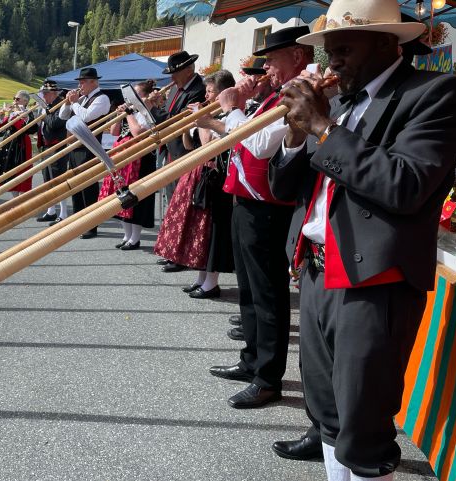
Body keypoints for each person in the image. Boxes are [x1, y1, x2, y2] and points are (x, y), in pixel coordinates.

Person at [270, 1, 456, 478]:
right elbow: (282, 188)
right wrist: (297, 137)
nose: (331, 61)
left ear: (386, 43)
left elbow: (404, 185)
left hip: (375, 278)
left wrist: (322, 128)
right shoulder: (337, 102)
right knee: (326, 411)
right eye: (328, 50)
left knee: (364, 424)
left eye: (343, 49)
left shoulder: (437, 93)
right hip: (316, 271)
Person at [201, 25, 312, 410]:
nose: (267, 70)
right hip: (245, 201)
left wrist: (233, 108)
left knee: (268, 295)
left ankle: (268, 377)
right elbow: (247, 136)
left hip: (268, 207)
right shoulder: (274, 96)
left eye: (273, 61)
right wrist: (242, 107)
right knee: (248, 288)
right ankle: (251, 360)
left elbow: (260, 145)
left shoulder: (299, 94)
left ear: (298, 57)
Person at [154, 70, 236, 297]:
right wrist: (184, 127)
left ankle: (211, 282)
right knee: (197, 228)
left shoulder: (227, 116)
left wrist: (201, 121)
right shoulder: (210, 114)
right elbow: (191, 146)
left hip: (215, 176)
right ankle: (201, 278)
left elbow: (209, 144)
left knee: (211, 231)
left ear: (224, 93)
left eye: (212, 92)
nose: (207, 96)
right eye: (208, 91)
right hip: (199, 173)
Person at [97, 79, 158, 249]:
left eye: (135, 95)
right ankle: (127, 235)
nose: (130, 99)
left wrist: (130, 113)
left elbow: (138, 132)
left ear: (144, 96)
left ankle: (135, 238)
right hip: (124, 155)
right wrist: (119, 116)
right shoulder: (132, 110)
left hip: (140, 158)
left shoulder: (148, 110)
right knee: (122, 194)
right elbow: (115, 132)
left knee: (136, 197)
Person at [149, 50, 206, 231]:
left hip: (185, 151)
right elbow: (168, 113)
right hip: (170, 149)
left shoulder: (199, 89)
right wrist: (157, 105)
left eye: (175, 72)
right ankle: (171, 244)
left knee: (182, 199)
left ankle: (178, 248)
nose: (172, 77)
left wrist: (152, 109)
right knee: (171, 197)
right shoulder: (175, 87)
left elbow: (177, 120)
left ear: (188, 70)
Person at [58, 67, 111, 239]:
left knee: (88, 187)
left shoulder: (101, 98)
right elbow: (63, 116)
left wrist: (74, 103)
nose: (80, 85)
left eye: (82, 82)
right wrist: (67, 102)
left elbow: (86, 117)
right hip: (76, 146)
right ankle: (79, 221)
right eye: (80, 82)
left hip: (89, 147)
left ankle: (91, 225)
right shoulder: (82, 98)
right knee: (76, 185)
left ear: (93, 82)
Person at [35, 80, 69, 223]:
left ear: (54, 93)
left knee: (58, 179)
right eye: (43, 94)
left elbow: (55, 123)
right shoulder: (48, 106)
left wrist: (45, 112)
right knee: (47, 179)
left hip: (57, 146)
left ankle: (64, 212)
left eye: (46, 94)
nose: (44, 96)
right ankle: (51, 210)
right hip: (46, 146)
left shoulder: (62, 104)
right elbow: (41, 125)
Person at [0, 90, 35, 197]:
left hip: (21, 144)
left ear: (25, 101)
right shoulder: (13, 113)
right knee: (9, 170)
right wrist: (2, 114)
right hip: (10, 144)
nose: (14, 101)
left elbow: (23, 127)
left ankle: (21, 199)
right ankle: (14, 199)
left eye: (17, 99)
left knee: (21, 171)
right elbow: (1, 126)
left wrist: (13, 115)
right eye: (14, 98)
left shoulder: (28, 112)